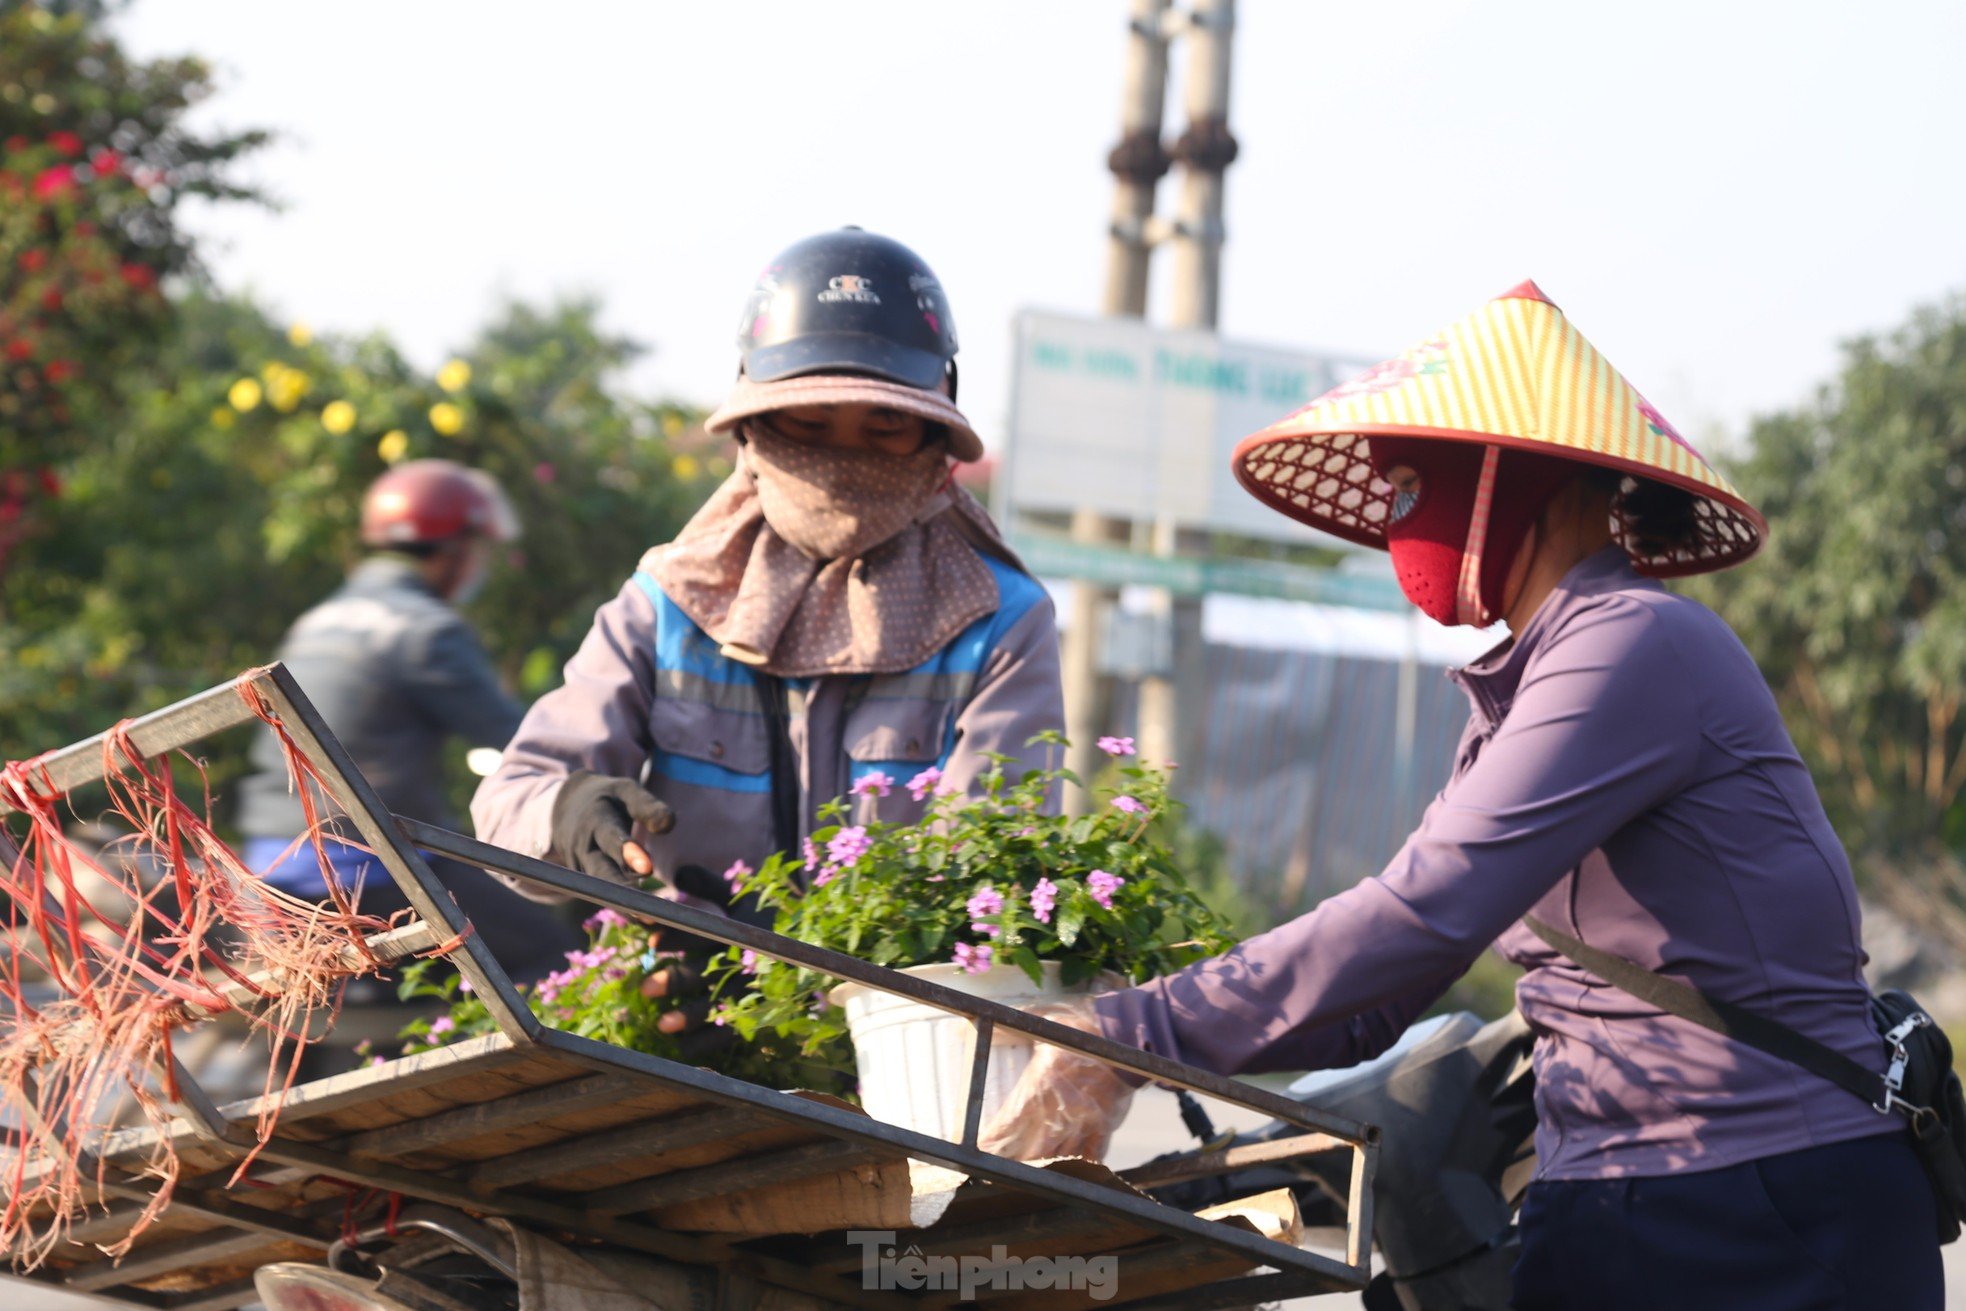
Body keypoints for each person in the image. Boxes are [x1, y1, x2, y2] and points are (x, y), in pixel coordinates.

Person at [981, 281, 1944, 1308]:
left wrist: (1136, 1033)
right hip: (1614, 1190)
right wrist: (1141, 1040)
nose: (1400, 512)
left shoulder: (1634, 642)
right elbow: (1384, 992)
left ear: (1516, 473)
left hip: (1756, 1201)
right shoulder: (1525, 687)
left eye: (1416, 481)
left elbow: (1421, 910)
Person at [472, 227, 1065, 1037]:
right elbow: (510, 797)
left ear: (935, 434)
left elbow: (1003, 866)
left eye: (883, 429)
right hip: (683, 1026)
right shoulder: (672, 601)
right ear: (754, 426)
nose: (842, 461)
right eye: (809, 427)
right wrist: (569, 810)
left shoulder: (999, 619)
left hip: (905, 1049)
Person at [237, 459, 578, 983]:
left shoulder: (317, 621)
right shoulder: (426, 630)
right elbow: (518, 739)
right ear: (454, 551)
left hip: (269, 871)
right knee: (554, 951)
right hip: (368, 874)